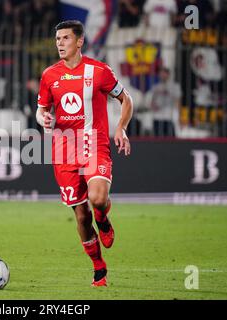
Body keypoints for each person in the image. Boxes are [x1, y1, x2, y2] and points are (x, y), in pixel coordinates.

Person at [36, 20, 133, 287]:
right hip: (63, 147)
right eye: (57, 39)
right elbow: (41, 108)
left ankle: (103, 219)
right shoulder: (49, 75)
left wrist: (121, 128)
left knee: (98, 199)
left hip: (94, 141)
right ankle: (99, 267)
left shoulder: (99, 71)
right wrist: (43, 118)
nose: (60, 43)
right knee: (80, 216)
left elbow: (126, 99)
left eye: (66, 38)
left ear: (79, 41)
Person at [147, 67, 181, 137]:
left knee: (170, 139)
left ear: (168, 74)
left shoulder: (175, 87)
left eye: (164, 73)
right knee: (157, 139)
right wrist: (153, 106)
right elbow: (151, 101)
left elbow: (178, 101)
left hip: (169, 117)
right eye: (161, 74)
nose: (162, 75)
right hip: (157, 117)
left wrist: (179, 117)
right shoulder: (155, 87)